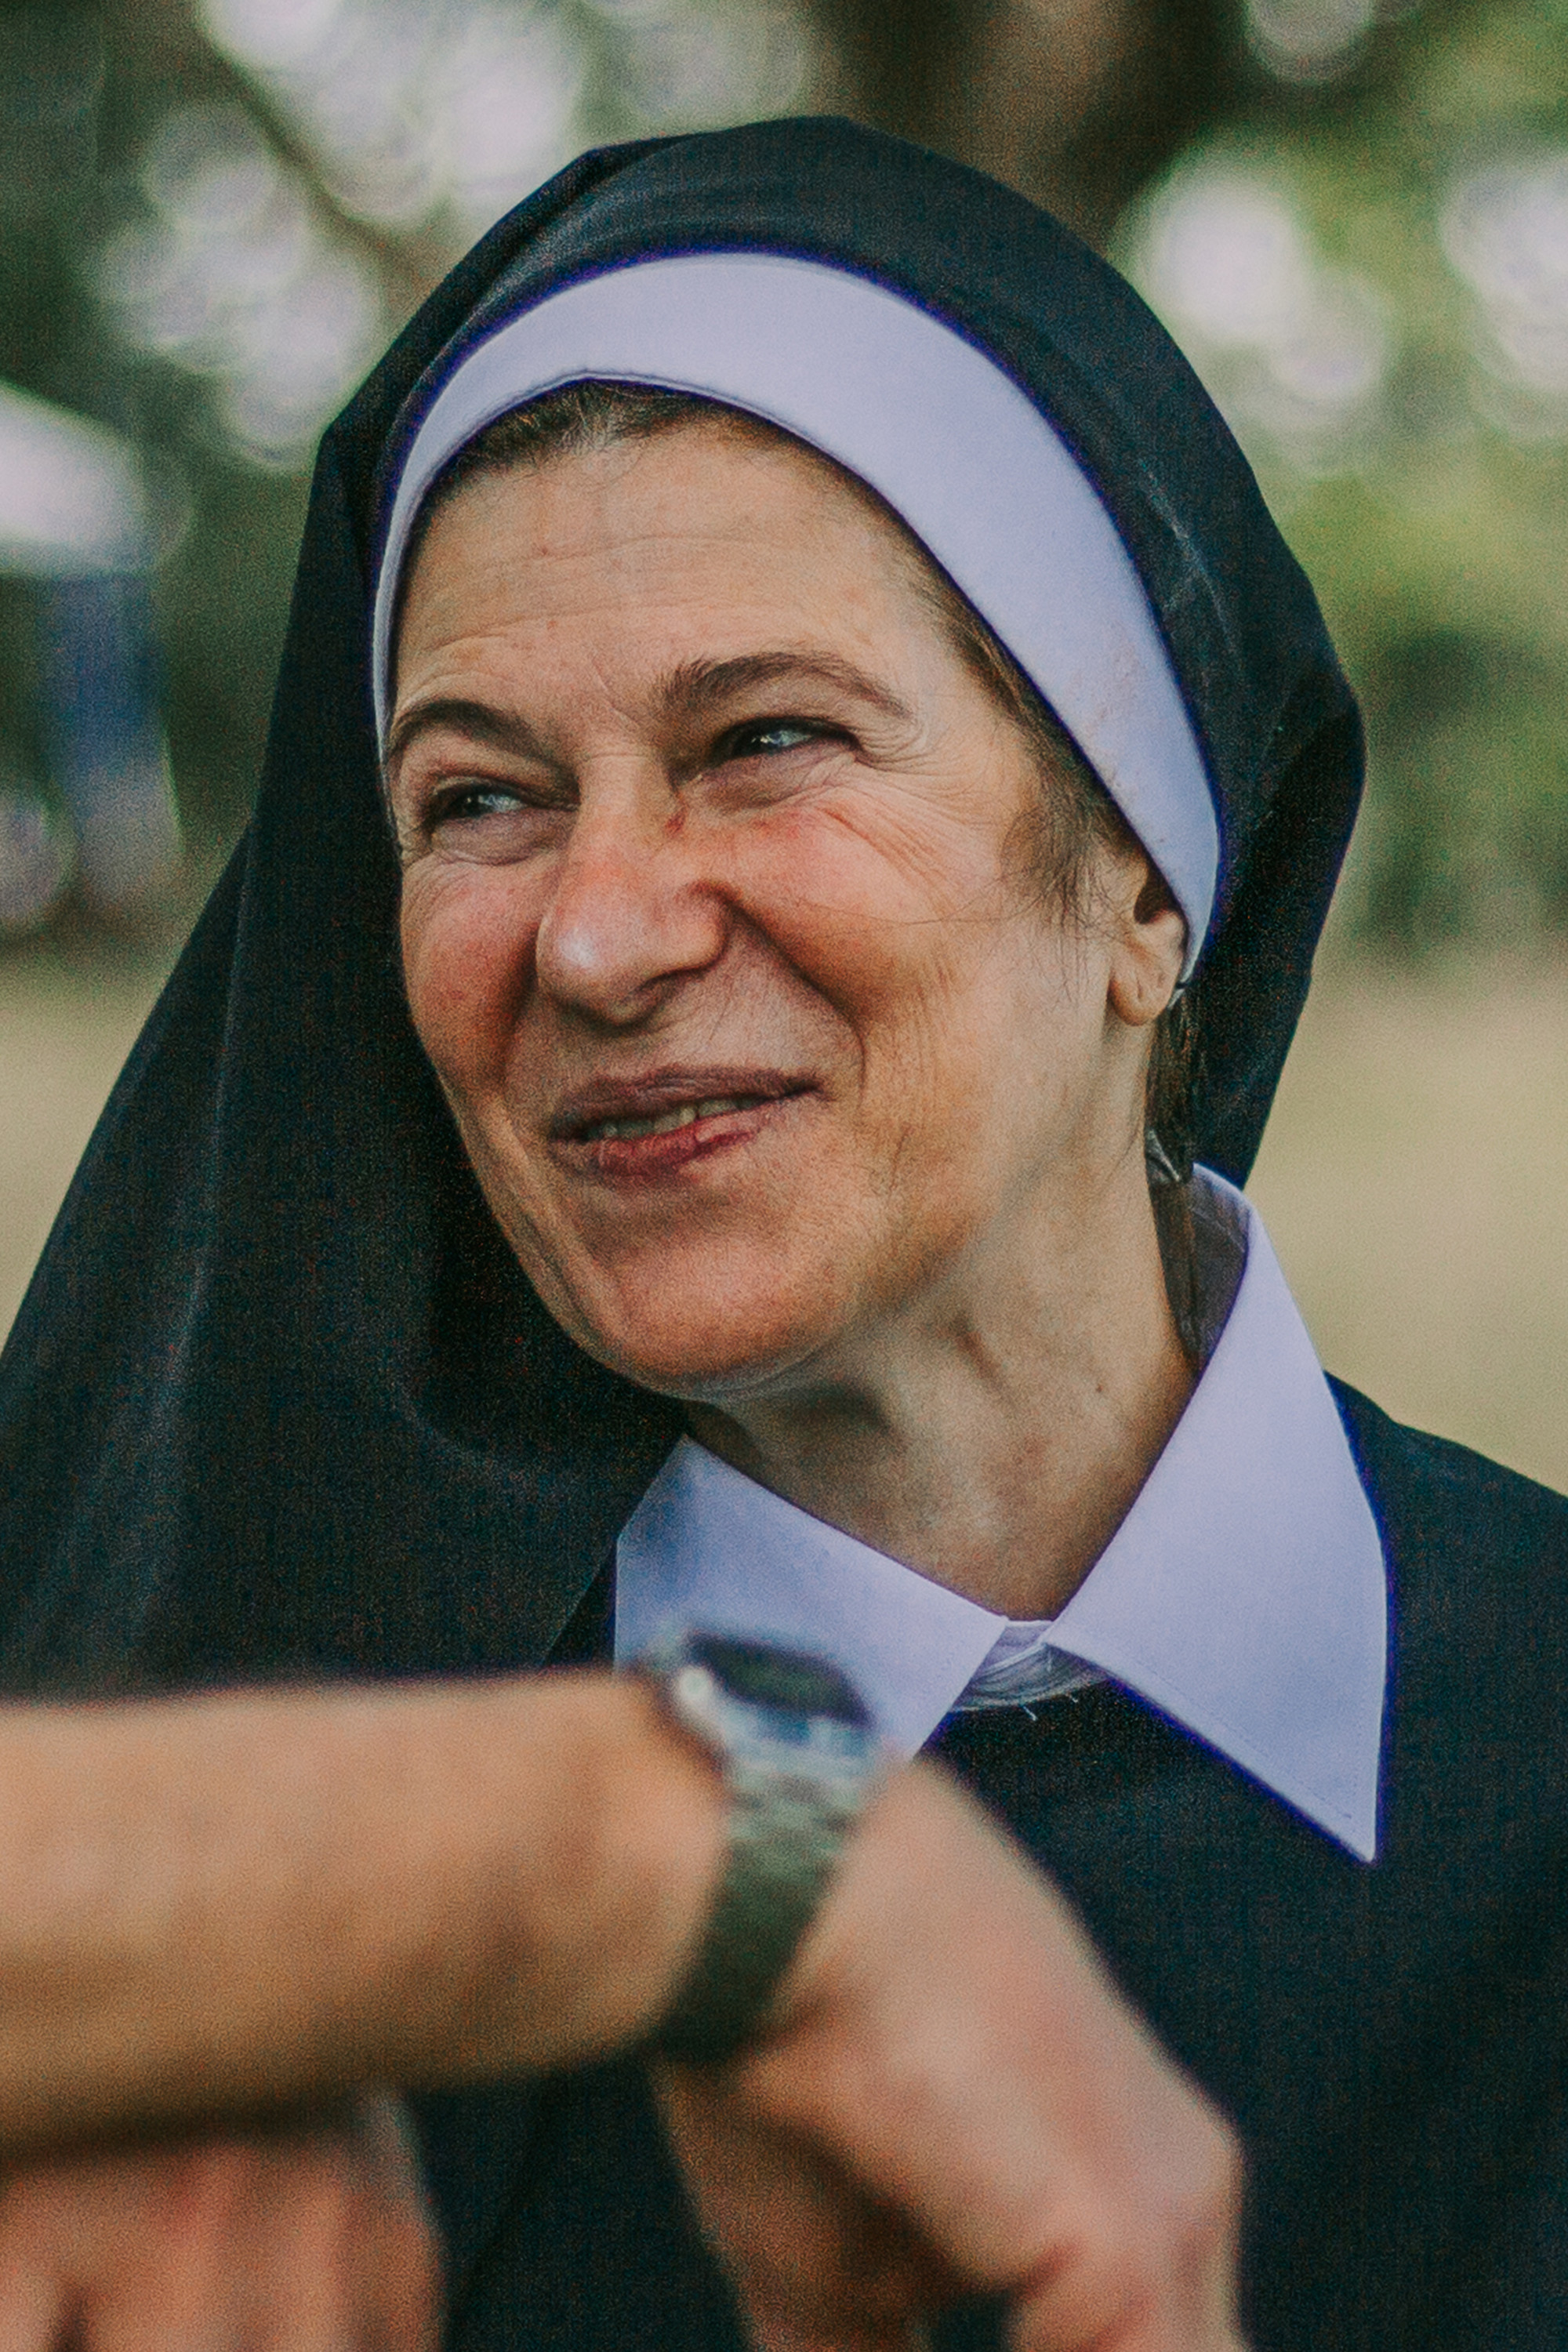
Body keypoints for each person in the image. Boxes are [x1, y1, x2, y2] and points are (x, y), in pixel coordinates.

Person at [1, 111, 1565, 2352]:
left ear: (1146, 880)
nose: (601, 933)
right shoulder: (232, 1902)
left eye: (763, 742)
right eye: (477, 799)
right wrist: (684, 1863)